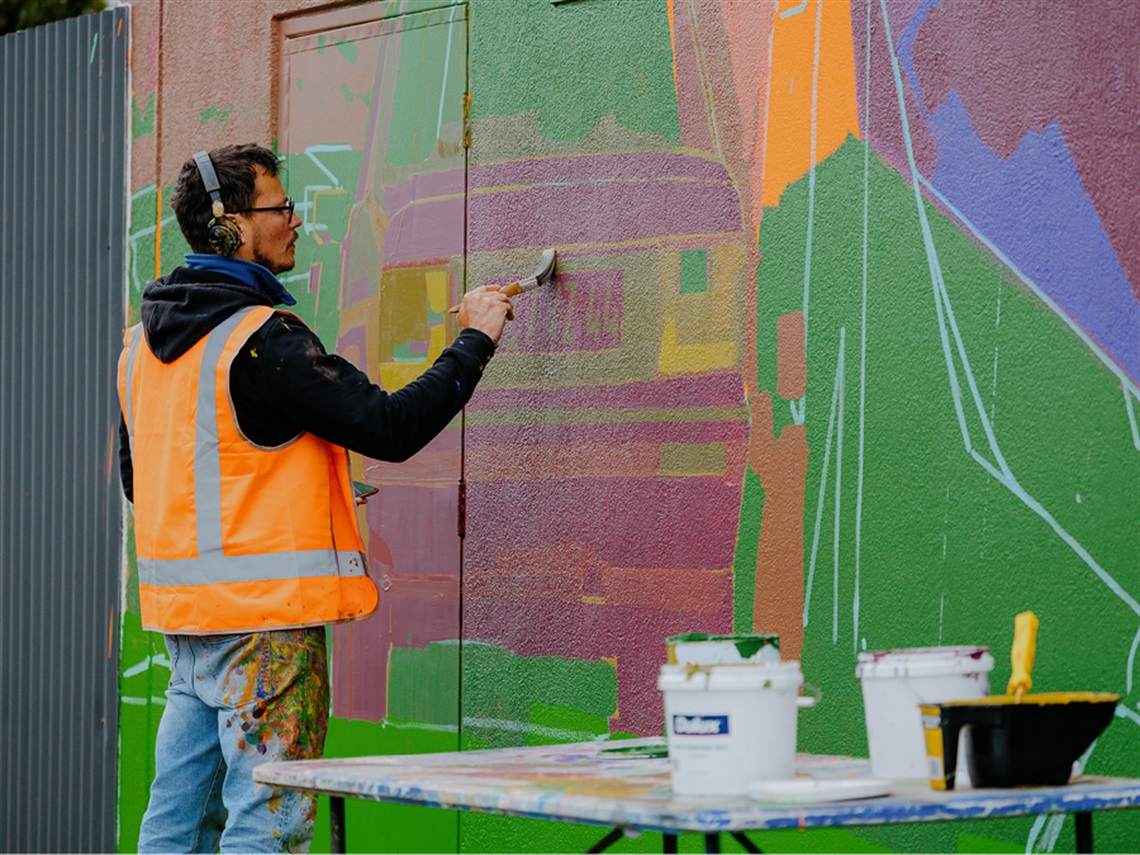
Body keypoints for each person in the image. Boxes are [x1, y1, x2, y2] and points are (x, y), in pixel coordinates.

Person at [117, 143, 513, 852]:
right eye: (280, 207)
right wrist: (475, 338)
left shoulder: (140, 349)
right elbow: (390, 427)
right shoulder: (260, 342)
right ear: (227, 226)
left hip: (189, 632)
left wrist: (296, 487)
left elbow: (152, 478)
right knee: (266, 827)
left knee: (174, 828)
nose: (297, 220)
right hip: (266, 631)